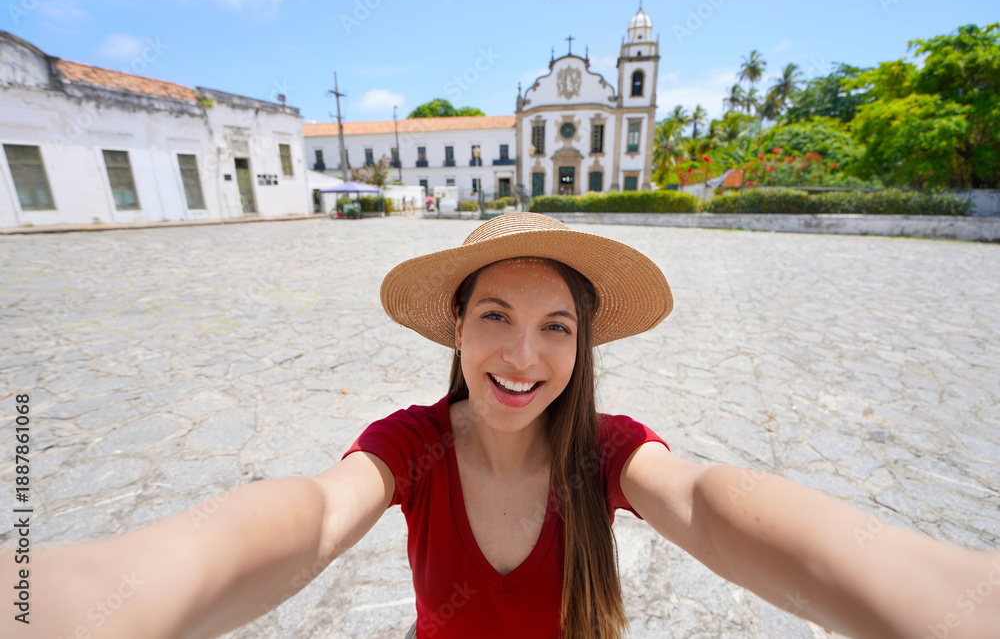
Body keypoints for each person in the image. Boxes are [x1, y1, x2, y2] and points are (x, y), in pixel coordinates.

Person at [6, 213, 1000, 639]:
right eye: (495, 316)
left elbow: (706, 501)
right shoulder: (410, 444)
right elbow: (307, 516)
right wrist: (84, 600)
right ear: (455, 324)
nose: (523, 357)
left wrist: (952, 598)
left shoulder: (609, 452)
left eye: (554, 327)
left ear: (582, 346)